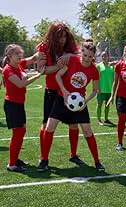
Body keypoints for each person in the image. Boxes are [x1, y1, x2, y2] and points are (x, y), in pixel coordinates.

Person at [37, 41, 105, 172]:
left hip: (79, 103)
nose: (86, 59)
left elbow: (95, 90)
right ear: (81, 52)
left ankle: (96, 161)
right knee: (50, 126)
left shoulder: (94, 70)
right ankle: (44, 160)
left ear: (94, 57)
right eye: (85, 55)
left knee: (87, 131)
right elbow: (58, 75)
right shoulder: (72, 61)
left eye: (90, 57)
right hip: (62, 99)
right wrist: (64, 91)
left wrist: (84, 102)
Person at [36, 21, 84, 167]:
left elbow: (79, 57)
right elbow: (41, 70)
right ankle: (43, 158)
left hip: (70, 92)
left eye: (64, 36)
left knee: (74, 124)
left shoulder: (70, 47)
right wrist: (58, 66)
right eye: (59, 37)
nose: (62, 40)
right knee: (46, 125)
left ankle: (73, 155)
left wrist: (69, 55)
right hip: (51, 91)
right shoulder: (43, 48)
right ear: (52, 36)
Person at [2, 44, 46, 172]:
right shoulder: (8, 69)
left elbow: (32, 59)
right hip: (12, 105)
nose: (20, 56)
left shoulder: (19, 64)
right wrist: (38, 75)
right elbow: (21, 84)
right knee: (18, 133)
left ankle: (15, 159)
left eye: (21, 54)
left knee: (21, 132)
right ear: (9, 56)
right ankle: (11, 164)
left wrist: (41, 51)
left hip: (19, 104)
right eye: (17, 54)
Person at [96, 51, 114, 125]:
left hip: (109, 89)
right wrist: (97, 88)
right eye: (102, 56)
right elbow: (95, 78)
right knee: (99, 104)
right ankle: (99, 120)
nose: (103, 57)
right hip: (101, 89)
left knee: (107, 104)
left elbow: (113, 79)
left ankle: (106, 119)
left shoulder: (112, 67)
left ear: (108, 57)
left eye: (105, 56)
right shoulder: (98, 66)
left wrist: (113, 90)